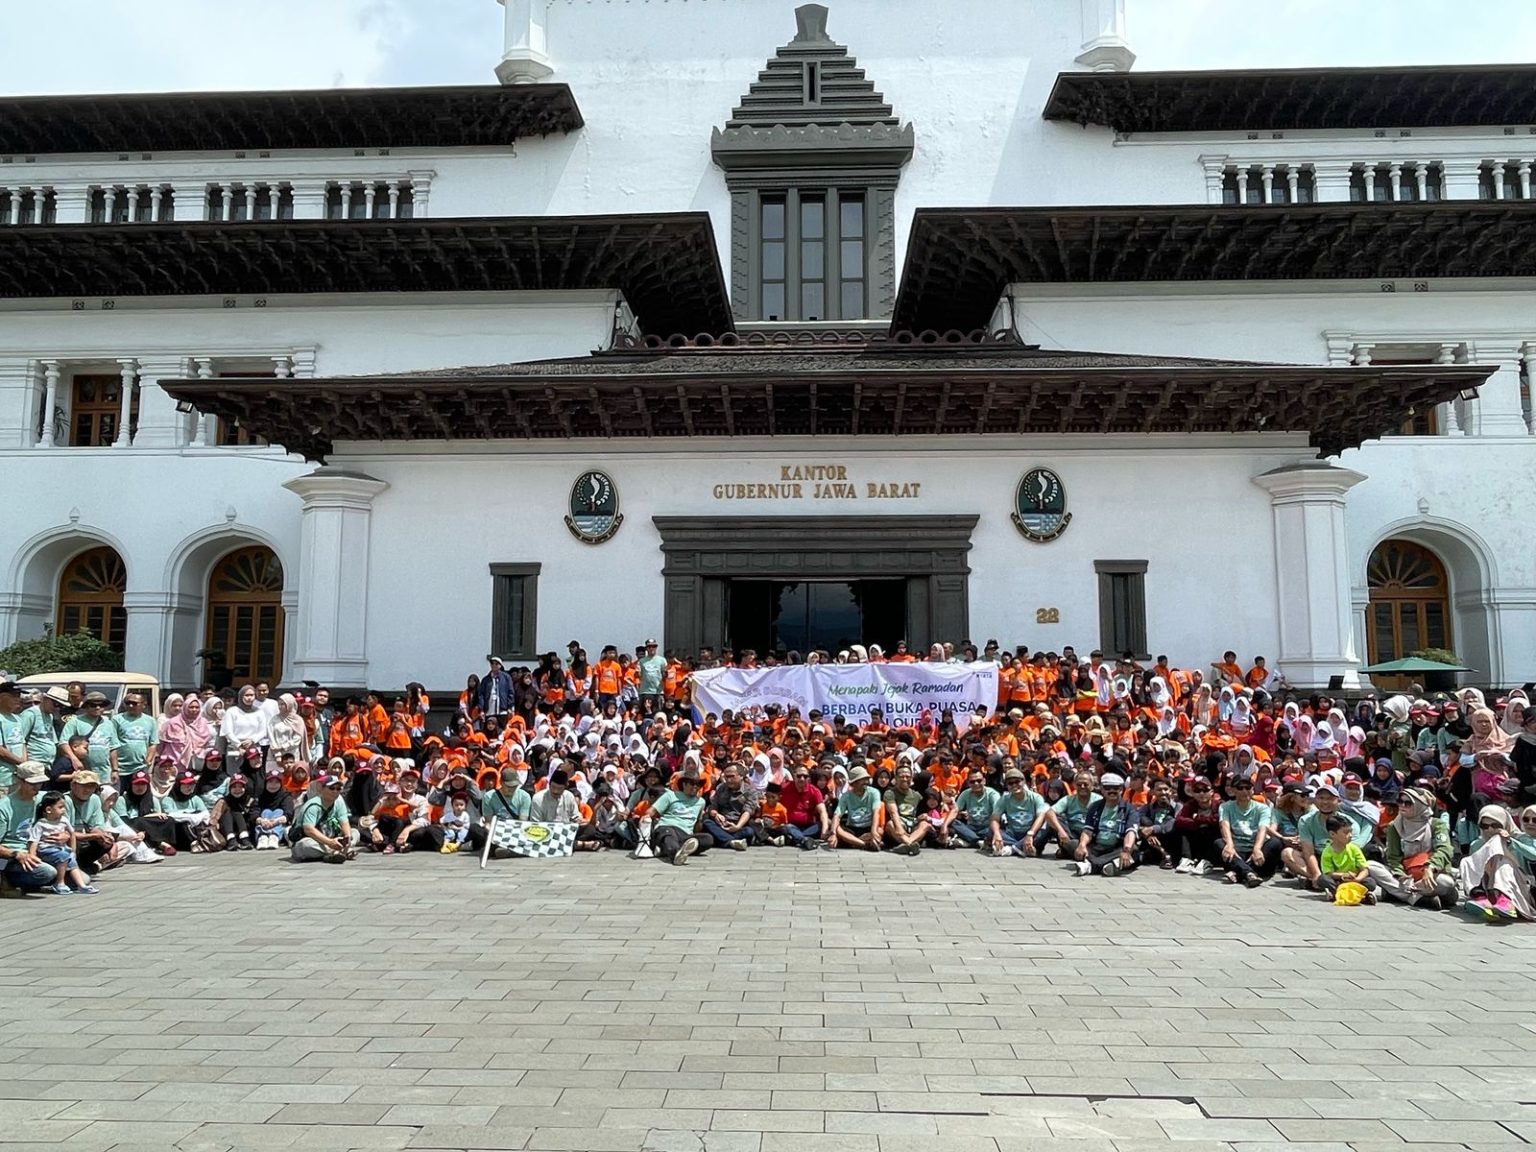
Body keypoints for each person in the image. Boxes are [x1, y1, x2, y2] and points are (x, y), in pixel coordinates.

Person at [1367, 786, 1457, 909]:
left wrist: (1430, 868)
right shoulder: (1394, 826)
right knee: (1370, 866)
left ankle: (1398, 893)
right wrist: (1400, 874)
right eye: (1400, 801)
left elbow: (1445, 850)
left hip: (1430, 874)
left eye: (1408, 803)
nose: (1402, 806)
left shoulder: (1436, 824)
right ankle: (1417, 898)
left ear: (1421, 805)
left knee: (1446, 883)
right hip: (1406, 876)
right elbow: (1393, 857)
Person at [1458, 806, 1536, 921]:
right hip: (1488, 883)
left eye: (1495, 826)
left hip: (1519, 886)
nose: (1490, 829)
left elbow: (1533, 855)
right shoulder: (1477, 844)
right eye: (1484, 826)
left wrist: (1510, 841)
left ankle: (1504, 898)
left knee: (1503, 861)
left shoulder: (1521, 839)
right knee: (1466, 861)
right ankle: (1479, 896)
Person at [0, 762, 60, 896]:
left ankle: (28, 883)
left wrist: (65, 834)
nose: (37, 787)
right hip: (10, 856)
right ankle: (6, 880)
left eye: (40, 783)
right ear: (19, 780)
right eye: (33, 783)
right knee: (48, 873)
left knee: (75, 874)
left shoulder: (43, 799)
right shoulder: (4, 807)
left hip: (37, 849)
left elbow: (64, 805)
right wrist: (16, 854)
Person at [27, 790, 97, 894]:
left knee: (71, 860)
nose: (63, 810)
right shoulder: (41, 824)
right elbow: (34, 841)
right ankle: (59, 883)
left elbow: (72, 834)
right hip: (46, 850)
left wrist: (73, 851)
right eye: (60, 807)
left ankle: (81, 886)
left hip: (61, 849)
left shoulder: (63, 820)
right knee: (63, 856)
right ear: (49, 809)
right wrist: (33, 856)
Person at [1074, 772, 1139, 877]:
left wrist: (1126, 850)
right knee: (1077, 846)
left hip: (1117, 847)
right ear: (1102, 790)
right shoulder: (1095, 807)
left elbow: (1130, 832)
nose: (1112, 791)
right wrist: (1082, 845)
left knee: (1134, 851)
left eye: (1115, 788)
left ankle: (1091, 866)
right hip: (1097, 847)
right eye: (1108, 788)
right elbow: (1087, 830)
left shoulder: (1129, 809)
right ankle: (1110, 866)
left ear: (1121, 790)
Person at [1218, 776, 1272, 887]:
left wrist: (1257, 849)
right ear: (1233, 790)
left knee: (1274, 843)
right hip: (1236, 849)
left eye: (1248, 787)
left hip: (1255, 848)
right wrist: (1229, 845)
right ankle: (1249, 873)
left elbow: (1263, 829)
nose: (1244, 791)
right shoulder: (1225, 807)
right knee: (1218, 843)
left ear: (1252, 789)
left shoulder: (1263, 808)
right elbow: (1224, 826)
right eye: (1240, 788)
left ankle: (1237, 871)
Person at [290, 774, 357, 863]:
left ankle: (338, 850)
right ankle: (335, 852)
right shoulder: (313, 805)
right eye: (331, 788)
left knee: (355, 833)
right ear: (322, 789)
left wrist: (347, 838)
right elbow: (308, 830)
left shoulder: (339, 801)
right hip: (311, 839)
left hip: (331, 837)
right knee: (305, 845)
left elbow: (344, 822)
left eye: (338, 789)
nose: (335, 791)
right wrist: (330, 842)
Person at [649, 769, 708, 865]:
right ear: (684, 784)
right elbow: (652, 810)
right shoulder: (670, 795)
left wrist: (700, 819)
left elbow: (697, 826)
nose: (695, 787)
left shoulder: (701, 802)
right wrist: (646, 817)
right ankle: (676, 854)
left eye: (698, 784)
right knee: (669, 835)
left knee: (708, 839)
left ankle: (666, 849)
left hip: (685, 833)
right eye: (692, 784)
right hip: (668, 826)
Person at [1319, 814, 1377, 904]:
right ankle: (1357, 895)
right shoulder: (1327, 852)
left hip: (1354, 880)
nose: (1350, 835)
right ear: (1332, 834)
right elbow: (1329, 873)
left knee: (1370, 882)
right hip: (1339, 880)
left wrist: (1358, 879)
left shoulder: (1354, 848)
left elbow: (1364, 869)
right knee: (1323, 879)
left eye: (1350, 832)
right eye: (1346, 833)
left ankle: (1341, 894)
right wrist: (1343, 875)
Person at [110, 690, 159, 789]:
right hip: (121, 768)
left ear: (143, 705)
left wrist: (148, 760)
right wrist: (115, 768)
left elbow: (153, 743)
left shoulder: (150, 721)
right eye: (128, 703)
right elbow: (113, 745)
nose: (131, 706)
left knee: (139, 793)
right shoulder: (116, 719)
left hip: (140, 767)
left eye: (134, 703)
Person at [703, 763, 756, 850]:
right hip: (721, 824)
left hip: (737, 824)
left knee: (749, 831)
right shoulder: (721, 788)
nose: (728, 780)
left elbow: (747, 811)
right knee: (707, 823)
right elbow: (713, 805)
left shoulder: (750, 791)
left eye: (732, 776)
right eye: (726, 777)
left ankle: (723, 839)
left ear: (741, 776)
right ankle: (732, 842)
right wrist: (716, 814)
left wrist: (737, 826)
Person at [829, 766, 881, 851]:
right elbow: (837, 815)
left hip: (868, 827)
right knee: (838, 829)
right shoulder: (846, 796)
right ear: (854, 782)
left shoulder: (874, 792)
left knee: (880, 831)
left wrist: (874, 831)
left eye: (866, 779)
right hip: (853, 827)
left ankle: (853, 842)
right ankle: (864, 844)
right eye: (863, 780)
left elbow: (876, 813)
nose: (866, 782)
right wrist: (833, 833)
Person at [947, 769, 1000, 851]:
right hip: (971, 828)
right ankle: (979, 842)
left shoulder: (992, 794)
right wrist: (944, 826)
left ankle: (971, 841)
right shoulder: (965, 794)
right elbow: (955, 810)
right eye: (972, 782)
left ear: (984, 781)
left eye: (979, 781)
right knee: (952, 821)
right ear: (968, 783)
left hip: (987, 828)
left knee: (996, 829)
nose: (976, 784)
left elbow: (997, 813)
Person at [779, 764, 829, 850]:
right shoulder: (784, 788)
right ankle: (804, 840)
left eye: (805, 776)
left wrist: (824, 830)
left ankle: (796, 838)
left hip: (809, 826)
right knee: (786, 828)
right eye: (799, 776)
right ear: (794, 776)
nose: (802, 779)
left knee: (820, 825)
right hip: (790, 825)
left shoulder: (814, 791)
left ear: (808, 778)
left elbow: (822, 811)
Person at [884, 764, 929, 855]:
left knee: (925, 824)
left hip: (912, 824)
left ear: (911, 778)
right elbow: (893, 812)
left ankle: (907, 843)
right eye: (902, 776)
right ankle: (909, 844)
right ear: (896, 778)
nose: (905, 779)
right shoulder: (890, 793)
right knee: (890, 824)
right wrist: (899, 828)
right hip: (898, 824)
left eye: (908, 777)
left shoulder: (917, 795)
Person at [253, 769, 294, 850]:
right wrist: (261, 820)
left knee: (279, 811)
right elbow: (254, 811)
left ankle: (274, 836)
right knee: (266, 811)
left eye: (276, 782)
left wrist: (275, 821)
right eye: (270, 782)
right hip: (263, 823)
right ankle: (262, 836)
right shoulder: (261, 796)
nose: (273, 785)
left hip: (278, 823)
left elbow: (288, 813)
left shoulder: (285, 796)